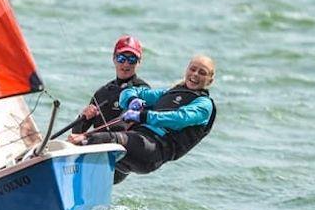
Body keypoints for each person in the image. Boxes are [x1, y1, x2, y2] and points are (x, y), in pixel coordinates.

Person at [70, 55, 217, 184]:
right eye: (192, 69)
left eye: (202, 72)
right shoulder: (168, 93)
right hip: (137, 141)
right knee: (87, 142)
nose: (195, 74)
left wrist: (143, 115)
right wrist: (132, 100)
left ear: (210, 80)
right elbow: (129, 91)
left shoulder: (204, 104)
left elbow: (179, 118)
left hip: (154, 150)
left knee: (98, 140)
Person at [68, 35, 150, 137]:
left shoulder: (143, 91)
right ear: (114, 59)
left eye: (132, 59)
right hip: (96, 144)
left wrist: (88, 137)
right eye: (121, 58)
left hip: (125, 146)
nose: (126, 64)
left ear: (139, 62)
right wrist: (83, 116)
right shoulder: (102, 93)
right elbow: (76, 132)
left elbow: (122, 125)